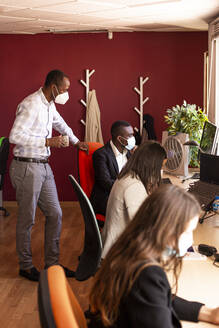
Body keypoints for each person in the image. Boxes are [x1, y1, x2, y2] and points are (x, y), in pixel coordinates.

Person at [89, 185, 219, 327]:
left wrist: (208, 313)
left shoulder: (132, 250)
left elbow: (158, 298)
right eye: (187, 232)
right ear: (165, 230)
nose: (192, 240)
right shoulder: (146, 274)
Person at [9, 69, 88, 282]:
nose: (66, 93)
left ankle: (52, 264)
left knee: (56, 214)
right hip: (26, 167)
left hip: (43, 166)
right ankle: (25, 266)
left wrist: (75, 141)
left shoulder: (49, 104)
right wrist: (48, 142)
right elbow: (14, 136)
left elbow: (60, 124)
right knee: (27, 220)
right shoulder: (31, 104)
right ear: (53, 88)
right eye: (64, 90)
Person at [101, 140, 166, 258]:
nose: (160, 172)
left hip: (118, 243)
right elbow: (142, 228)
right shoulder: (134, 186)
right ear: (151, 165)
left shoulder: (129, 175)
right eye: (160, 167)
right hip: (118, 253)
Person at [90, 120, 135, 217]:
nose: (133, 139)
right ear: (119, 138)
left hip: (124, 196)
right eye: (130, 136)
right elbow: (105, 182)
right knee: (137, 211)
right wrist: (127, 191)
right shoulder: (101, 155)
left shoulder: (128, 153)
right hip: (106, 198)